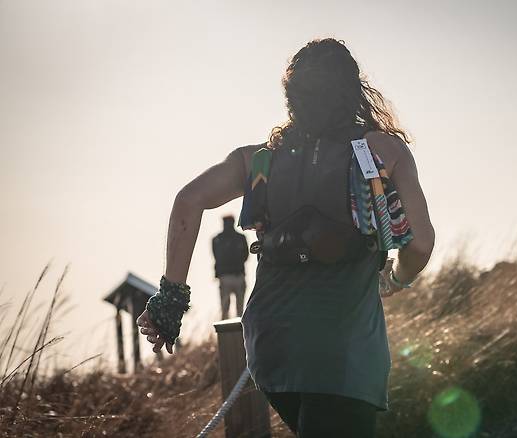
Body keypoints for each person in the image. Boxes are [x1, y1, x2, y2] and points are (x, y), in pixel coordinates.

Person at [137, 38, 435, 437]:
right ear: (353, 90)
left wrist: (170, 299)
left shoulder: (258, 160)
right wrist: (396, 279)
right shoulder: (384, 151)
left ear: (292, 95)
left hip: (270, 349)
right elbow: (420, 244)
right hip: (344, 354)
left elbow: (188, 202)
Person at [212, 215, 249, 319]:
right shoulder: (240, 238)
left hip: (226, 276)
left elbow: (216, 256)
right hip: (237, 275)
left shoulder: (217, 239)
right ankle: (238, 334)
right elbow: (246, 255)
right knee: (239, 310)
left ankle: (227, 334)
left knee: (225, 309)